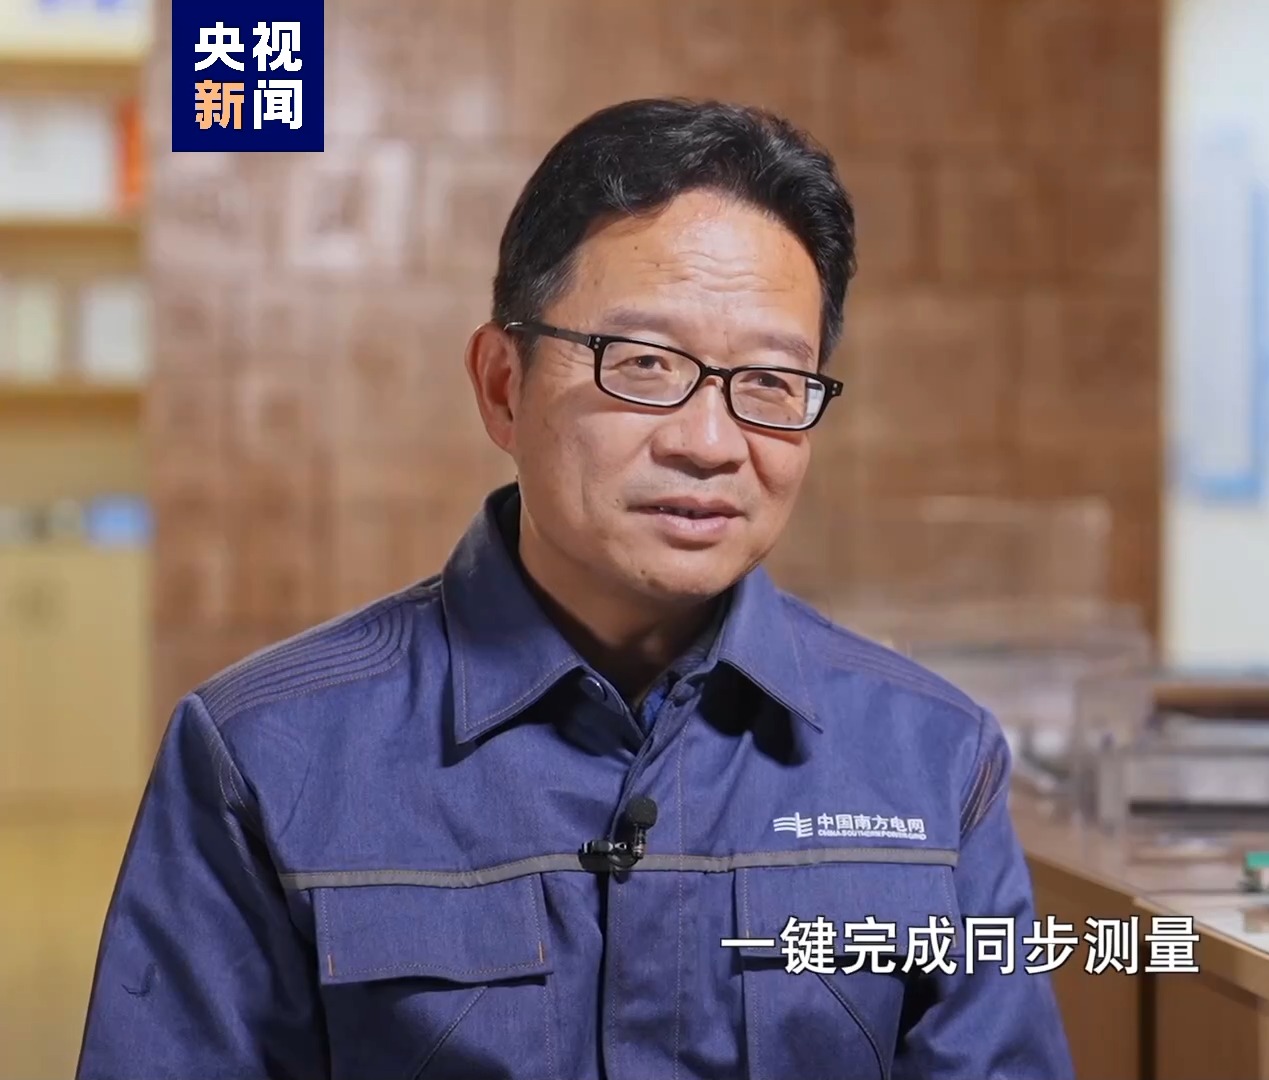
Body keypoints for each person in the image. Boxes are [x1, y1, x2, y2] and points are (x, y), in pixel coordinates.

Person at [77, 98, 1073, 1080]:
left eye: (771, 382)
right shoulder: (264, 754)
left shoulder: (934, 759)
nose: (709, 443)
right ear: (502, 385)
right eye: (643, 364)